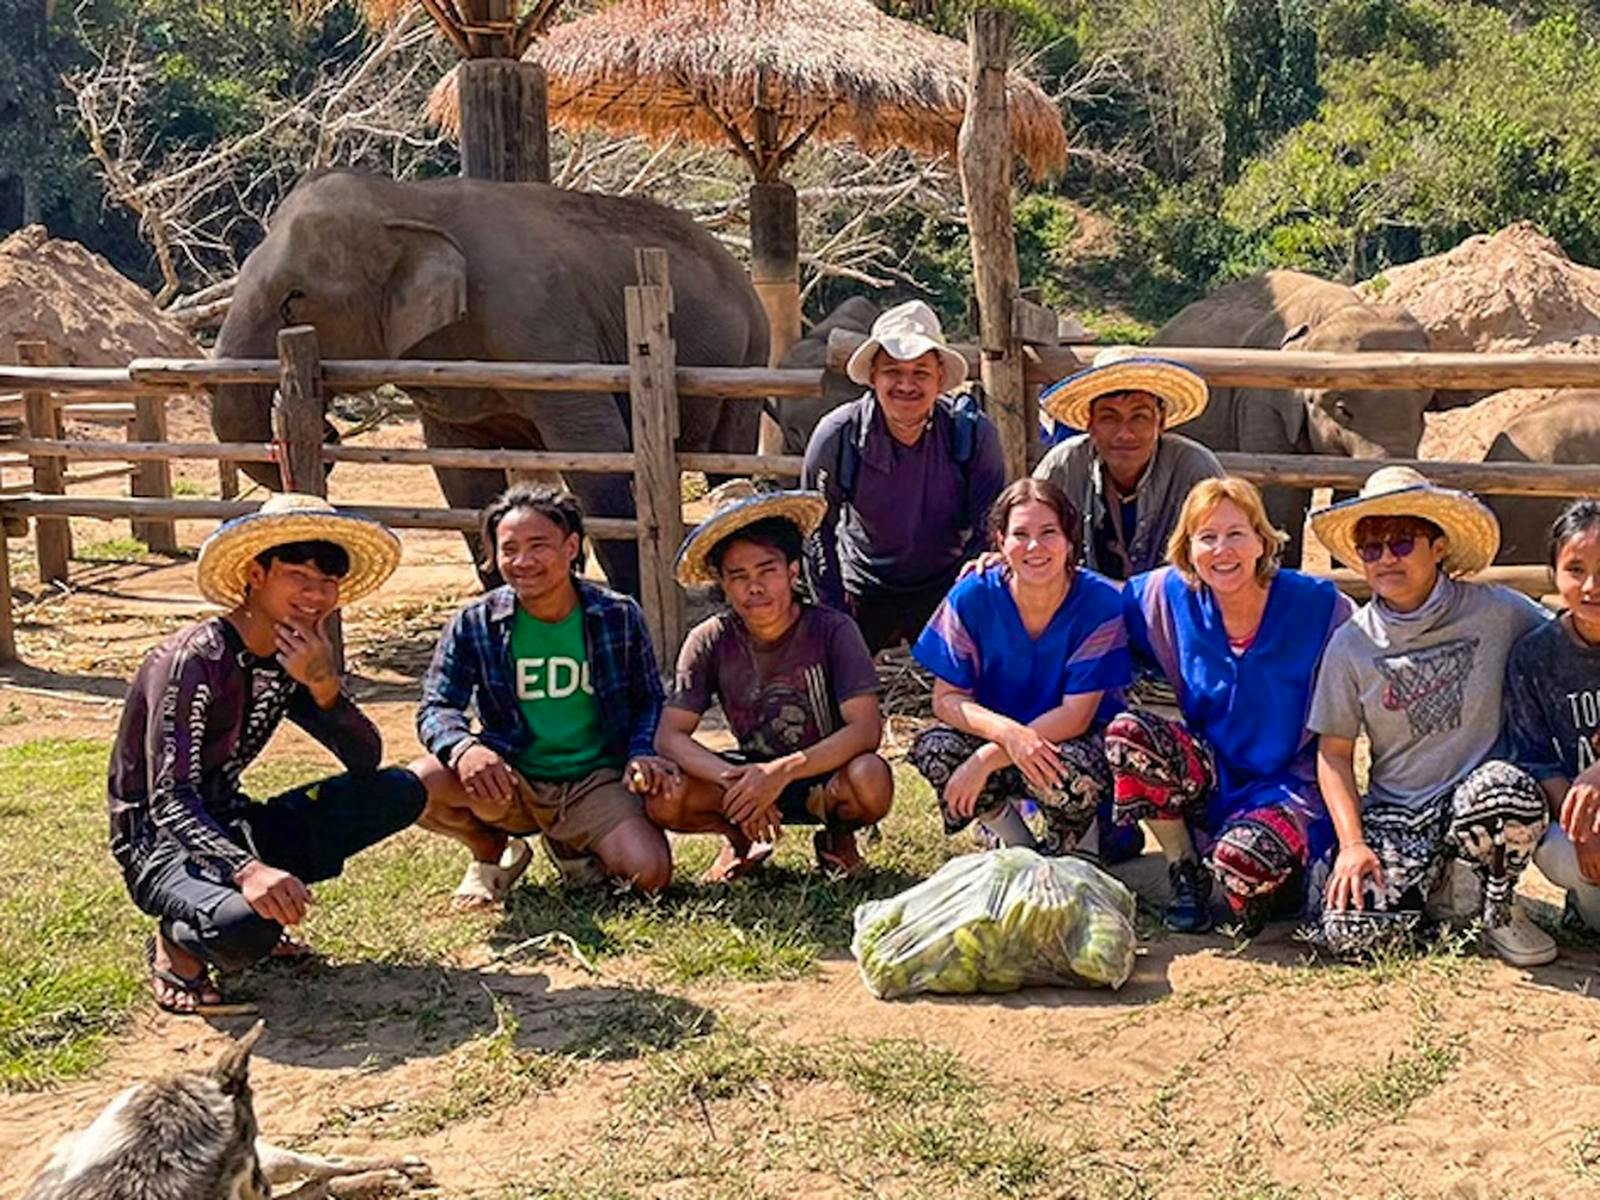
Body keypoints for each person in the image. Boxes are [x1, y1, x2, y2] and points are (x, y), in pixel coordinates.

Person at [109, 494, 422, 1014]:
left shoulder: (289, 657)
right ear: (256, 573)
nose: (315, 594)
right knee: (244, 928)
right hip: (159, 844)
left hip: (233, 823)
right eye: (297, 574)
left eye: (327, 583)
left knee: (400, 790)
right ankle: (176, 945)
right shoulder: (193, 660)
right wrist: (249, 871)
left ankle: (243, 903)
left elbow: (365, 761)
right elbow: (169, 800)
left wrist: (323, 685)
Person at [1308, 466, 1555, 965]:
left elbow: (1566, 643)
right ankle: (1440, 894)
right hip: (1399, 810)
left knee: (1505, 792)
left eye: (1402, 542)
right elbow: (1334, 753)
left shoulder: (1499, 612)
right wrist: (1353, 844)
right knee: (1355, 935)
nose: (1385, 558)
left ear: (1438, 545)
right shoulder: (1350, 644)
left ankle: (1498, 908)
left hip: (1476, 797)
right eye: (1371, 547)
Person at [1109, 477, 1353, 934]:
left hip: (1287, 786)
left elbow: (1372, 650)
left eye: (1236, 534)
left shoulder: (1317, 605)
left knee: (1245, 869)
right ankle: (1186, 872)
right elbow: (1081, 596)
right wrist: (1007, 567)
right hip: (1212, 777)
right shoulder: (1165, 596)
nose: (1222, 550)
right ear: (1188, 548)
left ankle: (1273, 876)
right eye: (1207, 537)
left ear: (1262, 541)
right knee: (1130, 734)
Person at [413, 485, 676, 906]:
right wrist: (463, 748)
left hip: (594, 778)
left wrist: (641, 750)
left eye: (539, 546)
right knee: (419, 783)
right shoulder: (474, 622)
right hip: (511, 776)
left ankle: (570, 845)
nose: (523, 562)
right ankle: (490, 851)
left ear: (571, 547)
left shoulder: (618, 615)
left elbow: (648, 699)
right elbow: (437, 704)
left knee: (649, 876)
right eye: (509, 549)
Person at [650, 490, 893, 880]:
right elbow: (670, 736)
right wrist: (738, 781)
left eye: (767, 571)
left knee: (871, 777)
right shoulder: (709, 638)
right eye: (739, 577)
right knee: (665, 795)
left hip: (822, 770)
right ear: (723, 585)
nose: (755, 587)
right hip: (746, 771)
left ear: (793, 572)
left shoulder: (833, 630)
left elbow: (865, 729)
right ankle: (738, 837)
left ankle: (838, 838)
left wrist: (781, 771)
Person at [909, 478, 1131, 857]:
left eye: (1049, 532)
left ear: (1069, 539)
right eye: (1020, 534)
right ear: (1000, 540)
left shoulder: (1098, 604)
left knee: (1076, 771)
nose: (1034, 546)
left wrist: (987, 758)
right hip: (1002, 735)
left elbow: (1076, 717)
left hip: (1068, 744)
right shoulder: (974, 593)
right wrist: (1008, 735)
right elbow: (946, 699)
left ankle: (1082, 842)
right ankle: (1016, 843)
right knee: (936, 748)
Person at [802, 299, 1007, 654]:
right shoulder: (838, 435)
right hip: (862, 587)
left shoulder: (972, 435)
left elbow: (988, 527)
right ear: (873, 377)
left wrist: (965, 601)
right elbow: (814, 528)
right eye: (893, 371)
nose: (906, 385)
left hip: (948, 584)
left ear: (940, 378)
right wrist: (833, 613)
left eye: (920, 373)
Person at [1034, 352, 1223, 581]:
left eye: (1140, 417)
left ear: (1160, 421)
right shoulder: (1063, 465)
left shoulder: (1195, 468)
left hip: (1171, 603)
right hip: (1086, 606)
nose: (1125, 433)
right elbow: (1029, 531)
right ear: (1089, 423)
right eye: (1109, 418)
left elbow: (1223, 544)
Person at [1504, 502, 1600, 933]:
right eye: (1575, 569)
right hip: (1580, 820)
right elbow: (1536, 756)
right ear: (1554, 575)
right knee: (1559, 851)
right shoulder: (1535, 655)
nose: (1592, 585)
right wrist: (1581, 826)